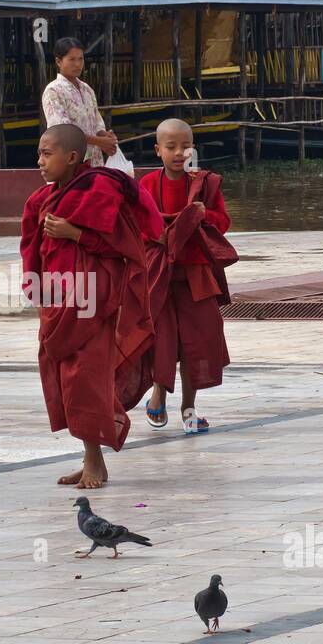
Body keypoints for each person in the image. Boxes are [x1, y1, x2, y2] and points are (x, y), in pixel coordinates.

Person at [20, 123, 163, 489]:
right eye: (39, 153)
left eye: (46, 153)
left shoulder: (98, 189)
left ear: (71, 157)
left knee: (86, 378)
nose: (40, 160)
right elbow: (33, 250)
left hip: (92, 302)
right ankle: (88, 458)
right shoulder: (41, 200)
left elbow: (122, 245)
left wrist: (75, 233)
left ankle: (95, 461)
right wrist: (36, 288)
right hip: (58, 301)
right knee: (64, 379)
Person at [138, 119, 237, 433]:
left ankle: (189, 408)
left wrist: (202, 214)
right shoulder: (148, 186)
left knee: (197, 342)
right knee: (162, 339)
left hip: (195, 274)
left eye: (185, 146)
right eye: (171, 147)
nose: (179, 153)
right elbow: (139, 226)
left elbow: (223, 221)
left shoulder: (205, 184)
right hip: (161, 275)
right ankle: (157, 396)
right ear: (158, 150)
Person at [41, 37, 118, 166]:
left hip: (94, 162)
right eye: (71, 59)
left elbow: (97, 123)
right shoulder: (53, 91)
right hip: (70, 164)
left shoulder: (87, 90)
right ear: (58, 61)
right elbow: (64, 133)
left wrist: (106, 136)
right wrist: (100, 142)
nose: (77, 64)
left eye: (80, 59)